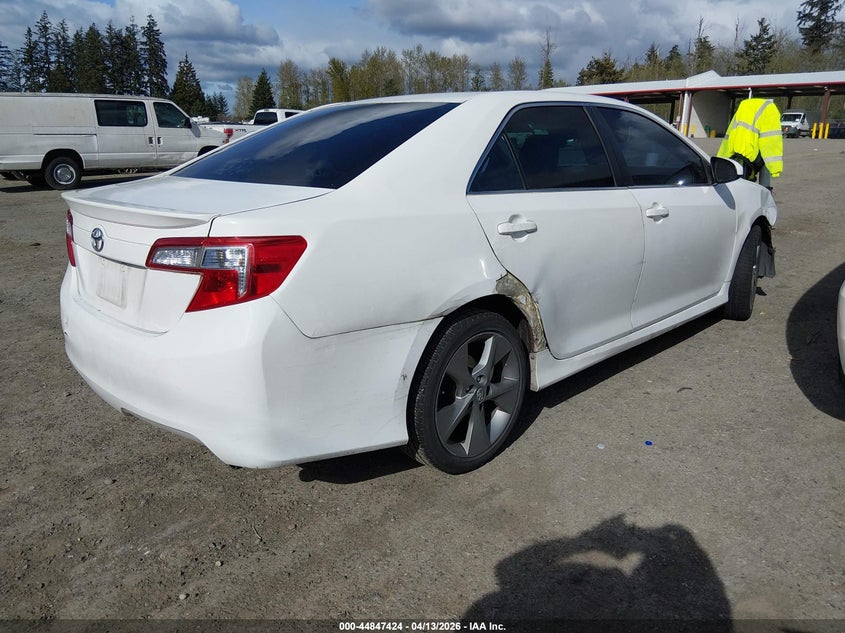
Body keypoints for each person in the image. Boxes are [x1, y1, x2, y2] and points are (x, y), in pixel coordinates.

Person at [717, 97, 783, 189]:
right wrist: (775, 169)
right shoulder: (770, 109)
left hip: (735, 156)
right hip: (750, 158)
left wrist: (721, 161)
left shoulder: (743, 107)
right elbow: (771, 141)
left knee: (736, 187)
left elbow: (728, 136)